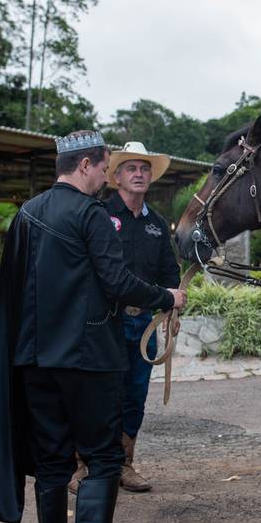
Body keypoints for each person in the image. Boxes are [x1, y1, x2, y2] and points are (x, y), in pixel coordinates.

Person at [0, 130, 187, 523]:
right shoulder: (92, 215)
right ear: (85, 165)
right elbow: (119, 282)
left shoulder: (28, 213)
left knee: (52, 462)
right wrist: (167, 296)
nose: (106, 177)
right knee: (103, 458)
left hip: (34, 359)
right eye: (105, 167)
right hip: (88, 360)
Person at [69, 141, 179, 494]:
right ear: (115, 177)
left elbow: (169, 273)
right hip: (106, 322)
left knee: (135, 393)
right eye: (131, 168)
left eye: (144, 168)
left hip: (143, 324)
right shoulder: (98, 214)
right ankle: (82, 465)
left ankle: (123, 464)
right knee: (98, 393)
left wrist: (173, 305)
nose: (139, 174)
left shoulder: (157, 225)